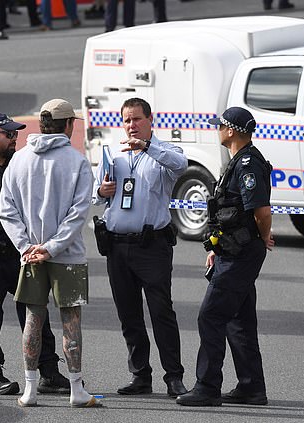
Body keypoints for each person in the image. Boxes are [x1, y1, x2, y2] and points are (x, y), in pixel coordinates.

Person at [0, 113, 70, 396]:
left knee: (35, 312)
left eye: (15, 134)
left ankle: (48, 372)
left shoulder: (20, 163)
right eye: (7, 134)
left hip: (22, 251)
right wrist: (9, 204)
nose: (14, 138)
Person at [0, 99, 100, 408]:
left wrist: (27, 247)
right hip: (66, 255)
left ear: (41, 124)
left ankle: (29, 390)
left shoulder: (19, 160)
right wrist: (52, 248)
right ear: (68, 125)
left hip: (29, 254)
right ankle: (76, 390)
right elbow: (78, 213)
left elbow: (7, 209)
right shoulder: (77, 161)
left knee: (33, 318)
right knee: (71, 320)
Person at [176, 107, 274, 407]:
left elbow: (261, 211)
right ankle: (251, 388)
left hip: (241, 254)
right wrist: (216, 250)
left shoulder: (247, 164)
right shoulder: (238, 162)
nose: (216, 129)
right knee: (238, 320)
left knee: (211, 316)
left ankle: (207, 387)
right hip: (232, 251)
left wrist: (262, 235)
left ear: (231, 130)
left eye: (220, 126)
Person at [93, 97, 188, 398]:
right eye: (126, 120)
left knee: (161, 312)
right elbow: (97, 195)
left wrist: (146, 147)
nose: (131, 125)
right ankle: (140, 375)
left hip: (152, 245)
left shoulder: (164, 152)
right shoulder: (113, 155)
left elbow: (181, 165)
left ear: (149, 120)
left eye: (136, 119)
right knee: (128, 314)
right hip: (118, 246)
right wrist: (101, 190)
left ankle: (173, 376)